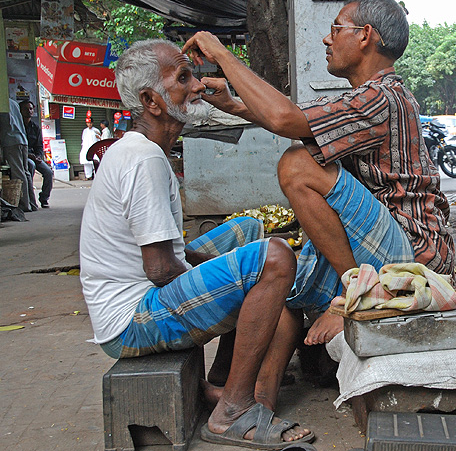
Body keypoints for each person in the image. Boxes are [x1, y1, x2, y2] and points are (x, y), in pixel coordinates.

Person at [182, 0, 454, 346]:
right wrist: (234, 105)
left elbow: (284, 119)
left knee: (296, 164)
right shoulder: (373, 95)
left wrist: (221, 54)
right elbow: (299, 118)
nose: (327, 39)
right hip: (390, 244)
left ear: (365, 35)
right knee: (280, 272)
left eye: (335, 29)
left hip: (413, 251)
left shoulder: (381, 97)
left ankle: (355, 295)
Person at [79, 39, 313, 449]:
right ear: (152, 100)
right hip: (131, 321)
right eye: (183, 78)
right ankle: (233, 411)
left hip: (136, 302)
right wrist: (230, 280)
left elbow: (169, 248)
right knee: (274, 259)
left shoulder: (142, 150)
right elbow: (161, 270)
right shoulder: (144, 160)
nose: (197, 86)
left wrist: (226, 271)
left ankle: (224, 379)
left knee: (245, 231)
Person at [1, 99, 33, 212]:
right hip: (22, 140)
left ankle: (24, 205)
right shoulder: (13, 102)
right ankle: (32, 203)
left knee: (18, 173)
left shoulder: (2, 103)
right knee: (26, 172)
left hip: (11, 141)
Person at [20, 100, 53, 208]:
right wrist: (29, 156)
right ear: (20, 111)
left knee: (48, 172)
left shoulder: (35, 127)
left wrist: (38, 157)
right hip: (23, 156)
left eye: (31, 108)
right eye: (26, 109)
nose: (29, 111)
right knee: (31, 166)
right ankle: (30, 200)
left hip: (34, 156)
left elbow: (39, 146)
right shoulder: (18, 126)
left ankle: (44, 198)